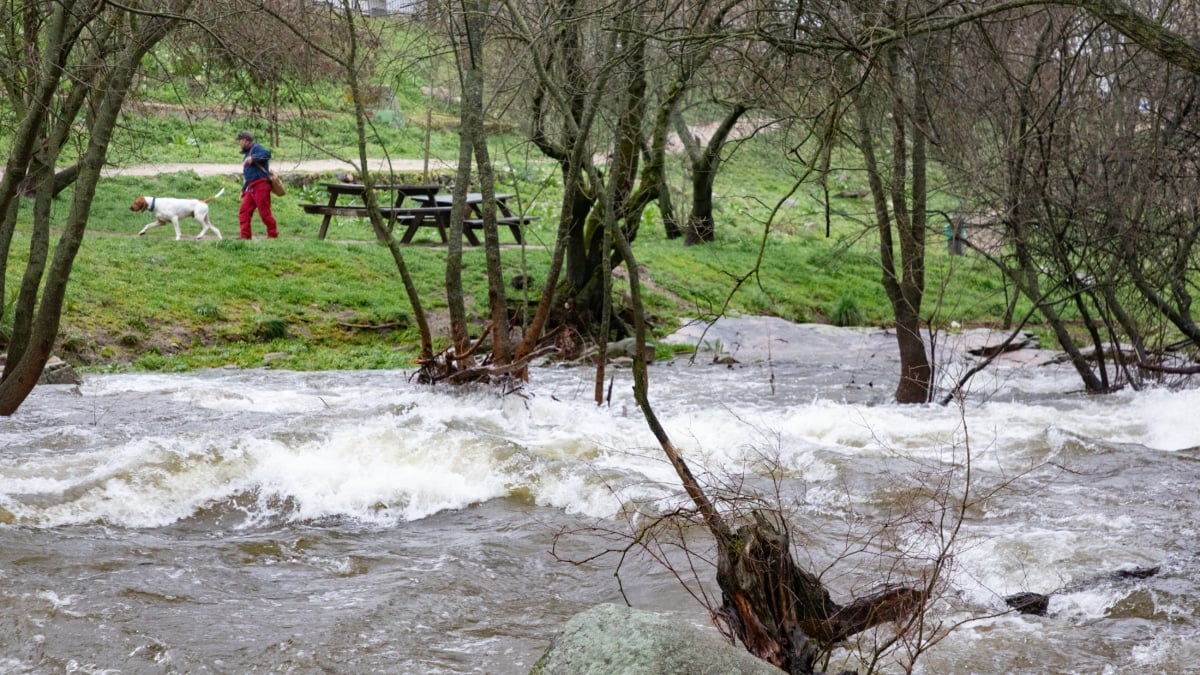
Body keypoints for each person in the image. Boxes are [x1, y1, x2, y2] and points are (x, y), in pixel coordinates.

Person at [236, 131, 279, 239]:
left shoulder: (257, 148)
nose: (239, 143)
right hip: (251, 187)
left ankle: (273, 235)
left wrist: (253, 158)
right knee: (244, 211)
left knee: (265, 213)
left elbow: (267, 154)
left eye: (240, 140)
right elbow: (249, 174)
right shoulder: (246, 154)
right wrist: (243, 189)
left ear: (246, 141)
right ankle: (245, 236)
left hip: (261, 186)